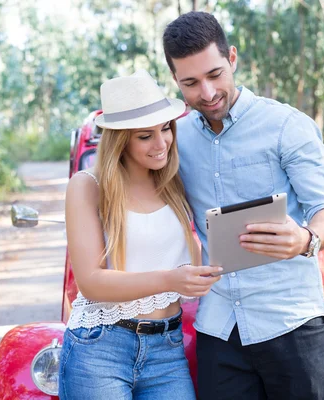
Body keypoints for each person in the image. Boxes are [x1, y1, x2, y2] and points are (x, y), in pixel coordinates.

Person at [162, 11, 324, 400]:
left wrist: (306, 238)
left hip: (291, 320)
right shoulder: (175, 139)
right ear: (175, 80)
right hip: (219, 327)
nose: (208, 93)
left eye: (215, 75)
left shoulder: (286, 126)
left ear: (232, 58)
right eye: (191, 83)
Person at [58, 69, 222, 400]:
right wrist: (171, 280)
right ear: (121, 140)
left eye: (165, 129)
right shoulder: (88, 186)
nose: (162, 143)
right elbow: (90, 282)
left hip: (168, 347)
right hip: (101, 349)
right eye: (145, 136)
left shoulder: (174, 180)